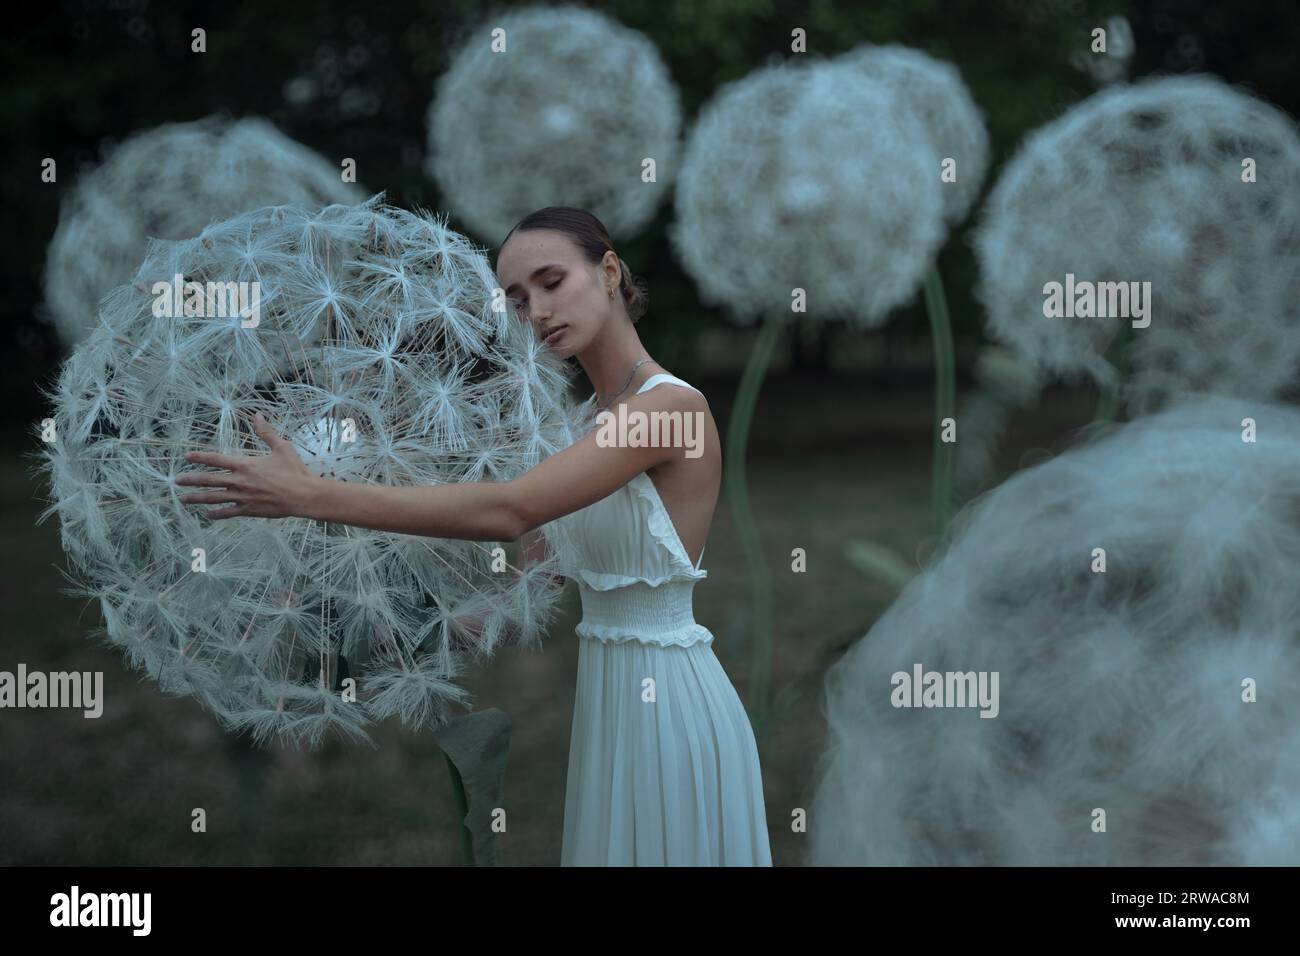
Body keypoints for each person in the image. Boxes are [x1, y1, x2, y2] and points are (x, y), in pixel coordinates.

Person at [174, 206, 772, 867]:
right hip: (612, 702)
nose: (536, 312)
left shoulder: (669, 409)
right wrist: (421, 627)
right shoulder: (582, 424)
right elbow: (541, 570)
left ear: (607, 272)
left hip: (671, 703)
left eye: (551, 282)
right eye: (516, 300)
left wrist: (312, 496)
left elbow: (512, 509)